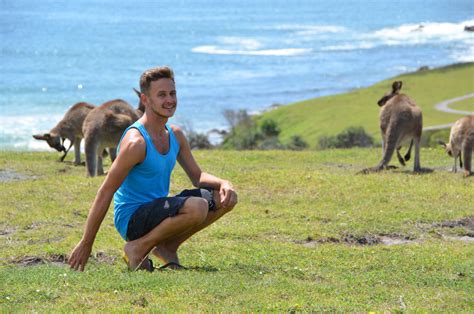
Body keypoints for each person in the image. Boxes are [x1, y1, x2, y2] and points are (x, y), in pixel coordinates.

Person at [68, 66, 238, 271]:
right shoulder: (136, 143)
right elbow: (105, 191)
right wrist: (86, 243)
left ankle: (167, 247)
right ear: (145, 99)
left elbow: (197, 176)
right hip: (132, 219)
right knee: (198, 206)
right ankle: (137, 248)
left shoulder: (175, 135)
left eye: (172, 93)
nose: (170, 100)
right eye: (162, 95)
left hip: (157, 210)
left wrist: (224, 183)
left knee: (224, 198)